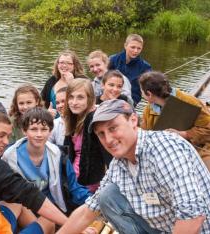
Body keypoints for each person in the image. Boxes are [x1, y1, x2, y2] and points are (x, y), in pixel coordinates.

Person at [57, 99, 210, 234]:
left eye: (113, 128)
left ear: (133, 120)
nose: (108, 140)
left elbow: (193, 216)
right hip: (166, 226)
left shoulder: (163, 148)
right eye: (101, 134)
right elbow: (87, 211)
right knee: (107, 195)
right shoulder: (119, 163)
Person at [2, 107, 91, 215]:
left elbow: (73, 187)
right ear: (24, 131)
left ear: (50, 131)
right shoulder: (9, 156)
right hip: (25, 210)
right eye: (34, 129)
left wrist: (93, 201)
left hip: (53, 207)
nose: (39, 134)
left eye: (44, 129)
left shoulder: (58, 155)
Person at [140, 71, 210, 170]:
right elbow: (144, 135)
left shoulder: (189, 101)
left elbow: (208, 129)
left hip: (198, 149)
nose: (141, 94)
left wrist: (184, 134)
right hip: (167, 154)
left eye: (141, 91)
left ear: (149, 94)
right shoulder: (148, 110)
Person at [63, 78, 112, 193]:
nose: (74, 102)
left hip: (89, 183)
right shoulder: (73, 118)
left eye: (80, 97)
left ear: (89, 99)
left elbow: (109, 155)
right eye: (71, 97)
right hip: (73, 180)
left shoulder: (94, 120)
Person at [109, 34, 152, 105]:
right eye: (133, 47)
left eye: (139, 48)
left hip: (131, 101)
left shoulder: (146, 67)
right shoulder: (112, 59)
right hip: (111, 96)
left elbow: (148, 89)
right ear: (125, 46)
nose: (135, 51)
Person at [41, 50, 87, 116]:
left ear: (75, 66)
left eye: (69, 63)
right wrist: (46, 113)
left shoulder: (83, 80)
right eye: (61, 62)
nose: (65, 66)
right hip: (53, 121)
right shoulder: (52, 80)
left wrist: (72, 83)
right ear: (57, 64)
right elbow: (41, 101)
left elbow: (86, 101)